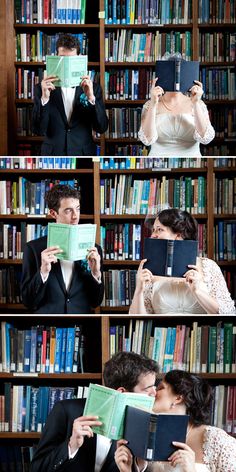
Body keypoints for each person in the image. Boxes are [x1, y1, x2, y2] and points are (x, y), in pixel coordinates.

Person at [30, 351, 159, 472]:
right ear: (122, 393)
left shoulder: (143, 422)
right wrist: (71, 446)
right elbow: (37, 468)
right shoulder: (65, 410)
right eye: (148, 389)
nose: (155, 393)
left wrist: (139, 466)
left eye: (155, 386)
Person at [115, 370, 236, 472]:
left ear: (178, 398)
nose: (154, 392)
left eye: (161, 388)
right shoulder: (148, 436)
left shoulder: (216, 439)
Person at [129, 208, 235, 314]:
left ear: (179, 235)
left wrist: (197, 291)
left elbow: (228, 313)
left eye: (159, 229)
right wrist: (139, 289)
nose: (153, 235)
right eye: (153, 230)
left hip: (200, 330)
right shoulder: (149, 268)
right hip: (160, 330)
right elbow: (136, 321)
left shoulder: (208, 267)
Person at [21, 184, 104, 314]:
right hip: (48, 328)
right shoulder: (33, 249)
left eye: (78, 209)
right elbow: (28, 302)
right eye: (68, 210)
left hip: (80, 327)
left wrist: (96, 274)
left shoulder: (94, 250)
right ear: (53, 213)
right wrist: (43, 272)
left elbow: (96, 302)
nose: (76, 216)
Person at [32, 33, 108, 155]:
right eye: (62, 58)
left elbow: (102, 127)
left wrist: (91, 98)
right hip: (53, 155)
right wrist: (45, 98)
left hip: (83, 154)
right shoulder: (41, 89)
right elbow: (38, 130)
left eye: (71, 59)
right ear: (56, 57)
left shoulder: (94, 89)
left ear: (79, 58)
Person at [138, 74, 215, 157]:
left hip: (191, 162)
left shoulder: (199, 104)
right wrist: (153, 103)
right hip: (157, 159)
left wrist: (195, 103)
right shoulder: (150, 104)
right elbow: (147, 139)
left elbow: (205, 138)